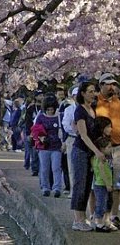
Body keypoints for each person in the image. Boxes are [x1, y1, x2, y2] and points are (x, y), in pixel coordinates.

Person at [71, 81, 105, 232]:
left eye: (94, 91)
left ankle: (83, 217)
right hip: (81, 151)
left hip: (90, 152)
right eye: (90, 91)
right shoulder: (80, 110)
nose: (93, 94)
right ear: (83, 93)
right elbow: (83, 135)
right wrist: (97, 152)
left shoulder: (93, 109)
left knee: (87, 185)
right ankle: (78, 219)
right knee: (80, 184)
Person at [94, 73, 120, 227]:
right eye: (108, 84)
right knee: (99, 183)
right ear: (101, 85)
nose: (111, 86)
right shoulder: (95, 102)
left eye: (113, 84)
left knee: (117, 185)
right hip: (101, 148)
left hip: (117, 147)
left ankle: (114, 215)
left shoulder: (118, 102)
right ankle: (97, 215)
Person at [32, 95, 63, 197]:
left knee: (56, 168)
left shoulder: (59, 116)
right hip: (44, 146)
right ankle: (45, 187)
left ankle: (57, 187)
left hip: (56, 146)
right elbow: (35, 130)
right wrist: (40, 138)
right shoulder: (40, 117)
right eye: (48, 109)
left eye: (52, 109)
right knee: (44, 168)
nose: (50, 111)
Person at [91, 117, 116, 232]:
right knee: (101, 203)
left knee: (107, 202)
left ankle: (105, 221)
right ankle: (98, 223)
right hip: (102, 183)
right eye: (107, 127)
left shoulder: (103, 156)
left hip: (106, 183)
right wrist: (107, 184)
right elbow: (101, 171)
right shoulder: (100, 158)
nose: (110, 129)